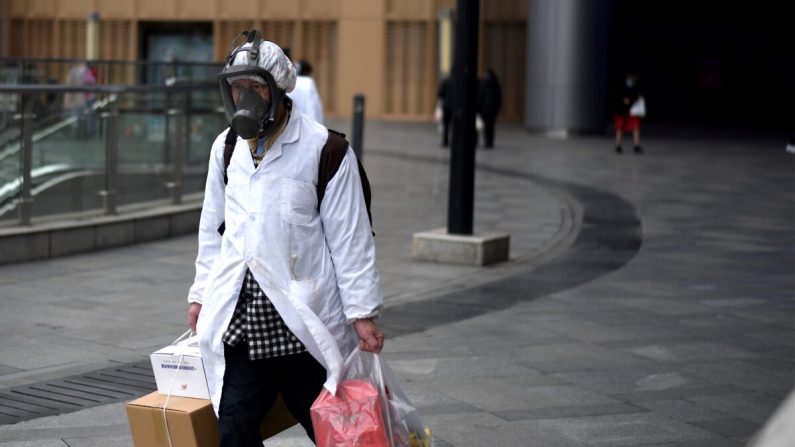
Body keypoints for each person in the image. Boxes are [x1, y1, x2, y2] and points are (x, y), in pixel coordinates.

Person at [187, 30, 384, 446]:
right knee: (235, 430)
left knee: (337, 432)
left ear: (278, 90)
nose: (245, 98)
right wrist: (201, 294)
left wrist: (361, 311)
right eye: (237, 88)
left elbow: (351, 240)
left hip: (303, 324)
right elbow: (212, 229)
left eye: (255, 87)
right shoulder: (225, 149)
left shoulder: (325, 150)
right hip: (242, 322)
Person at [614, 73, 644, 154]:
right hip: (622, 111)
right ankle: (618, 146)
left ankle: (636, 146)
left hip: (632, 111)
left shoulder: (636, 88)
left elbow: (638, 97)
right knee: (620, 128)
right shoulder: (621, 87)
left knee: (636, 127)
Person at [477, 69, 502, 149]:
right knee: (490, 126)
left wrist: (479, 107)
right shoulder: (496, 84)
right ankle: (489, 142)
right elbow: (499, 98)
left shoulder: (484, 83)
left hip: (485, 109)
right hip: (492, 110)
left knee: (481, 126)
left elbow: (481, 96)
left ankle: (485, 141)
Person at [437, 76, 452, 147]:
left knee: (446, 125)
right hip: (455, 106)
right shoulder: (458, 80)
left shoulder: (446, 81)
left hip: (446, 106)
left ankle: (445, 141)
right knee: (454, 125)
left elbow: (440, 93)